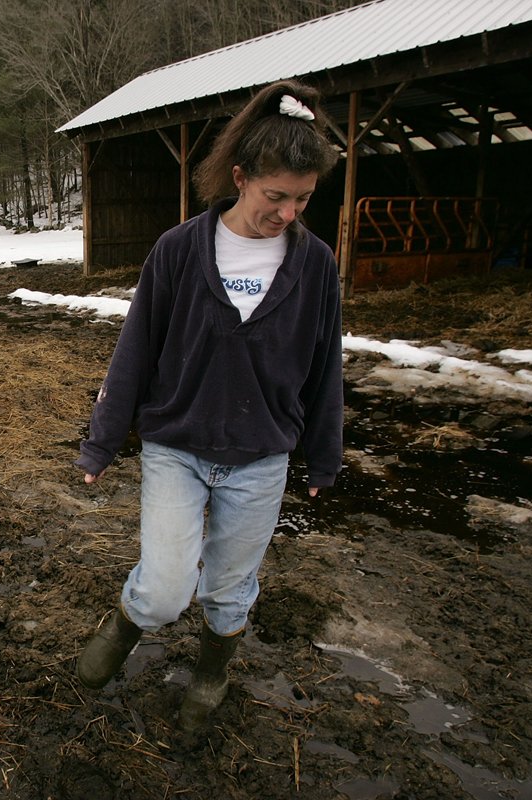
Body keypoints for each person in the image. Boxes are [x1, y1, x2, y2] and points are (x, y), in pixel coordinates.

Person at [73, 79, 343, 733]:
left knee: (228, 591)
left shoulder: (315, 266)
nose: (287, 212)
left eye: (302, 199)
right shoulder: (178, 251)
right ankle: (125, 624)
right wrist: (103, 441)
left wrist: (323, 457)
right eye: (275, 197)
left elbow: (325, 366)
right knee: (166, 588)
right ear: (242, 175)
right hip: (177, 448)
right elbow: (134, 353)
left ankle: (213, 671)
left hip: (261, 457)